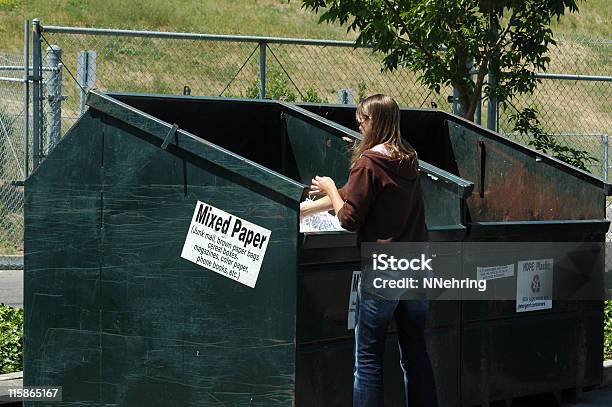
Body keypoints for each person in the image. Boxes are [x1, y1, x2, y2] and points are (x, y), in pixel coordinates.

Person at [299, 94, 438, 407]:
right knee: (415, 352)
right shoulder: (407, 157)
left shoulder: (368, 162)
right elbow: (357, 193)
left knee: (369, 360)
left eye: (362, 119)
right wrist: (307, 211)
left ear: (375, 123)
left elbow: (349, 216)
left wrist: (331, 188)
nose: (358, 125)